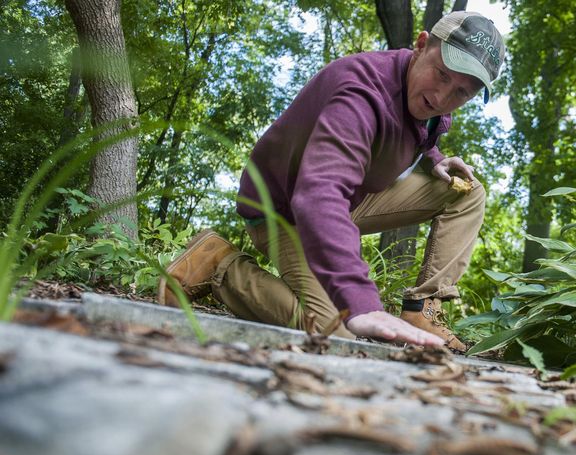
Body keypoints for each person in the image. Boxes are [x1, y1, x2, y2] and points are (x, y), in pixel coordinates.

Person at [157, 11, 506, 351]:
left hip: (347, 197)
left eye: (463, 92)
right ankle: (221, 265)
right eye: (442, 75)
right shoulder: (360, 93)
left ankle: (422, 311)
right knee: (338, 330)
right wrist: (361, 302)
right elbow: (318, 194)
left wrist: (436, 159)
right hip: (284, 209)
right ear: (421, 44)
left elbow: (408, 131)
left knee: (466, 193)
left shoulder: (424, 97)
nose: (443, 98)